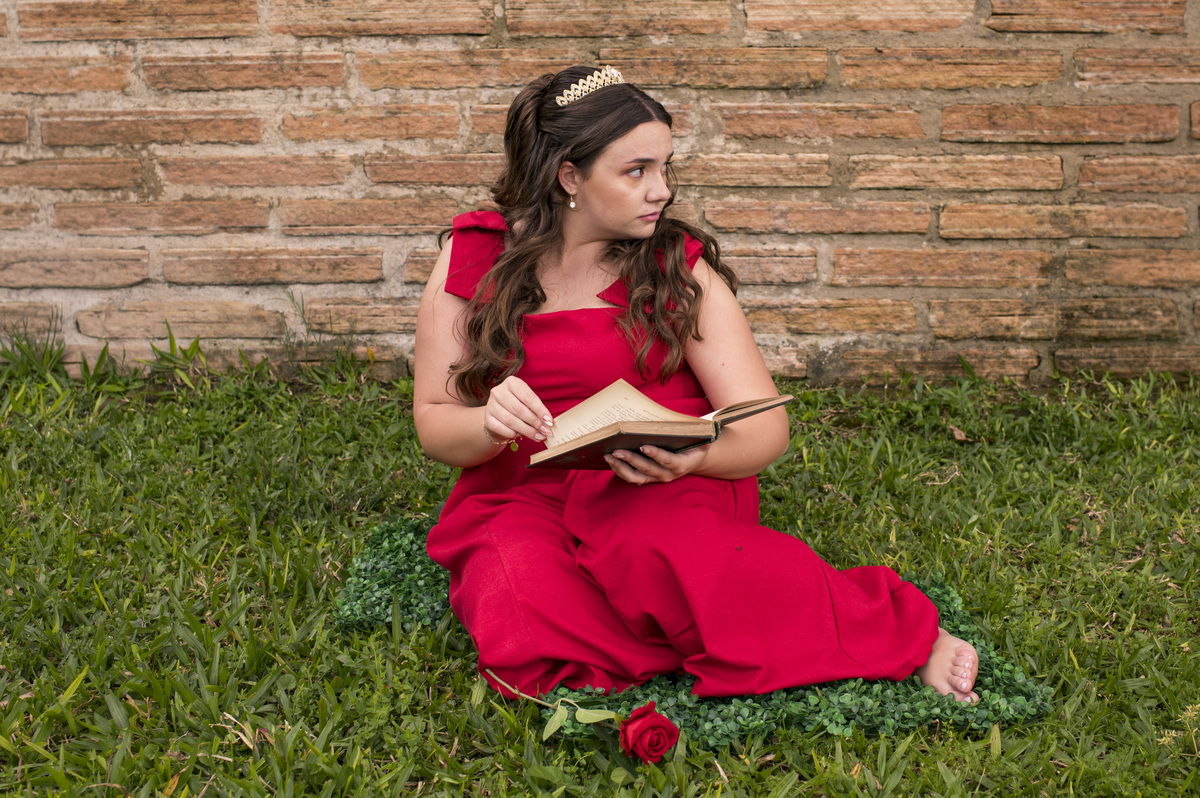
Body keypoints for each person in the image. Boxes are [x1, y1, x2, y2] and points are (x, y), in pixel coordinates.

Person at [413, 65, 979, 703]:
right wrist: (488, 421)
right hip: (523, 492)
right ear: (569, 175)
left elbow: (764, 426)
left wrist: (694, 458)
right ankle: (701, 631)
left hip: (658, 488)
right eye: (636, 172)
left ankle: (902, 634)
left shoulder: (675, 272)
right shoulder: (476, 259)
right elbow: (435, 422)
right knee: (521, 606)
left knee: (662, 551)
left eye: (665, 168)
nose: (660, 191)